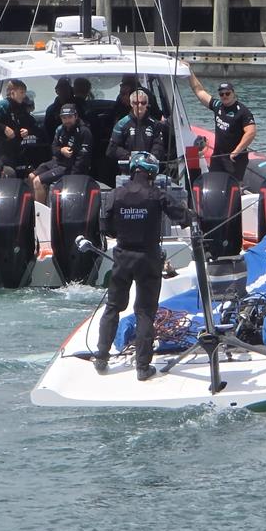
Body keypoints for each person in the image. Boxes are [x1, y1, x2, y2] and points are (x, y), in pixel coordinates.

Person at [93, 151, 188, 380]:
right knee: (144, 311)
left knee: (113, 306)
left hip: (123, 257)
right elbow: (185, 218)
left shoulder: (115, 195)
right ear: (152, 173)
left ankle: (102, 356)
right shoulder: (158, 195)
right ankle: (143, 368)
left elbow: (106, 229)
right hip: (148, 258)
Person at [185, 68, 256, 181]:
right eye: (222, 94)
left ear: (233, 93)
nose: (224, 96)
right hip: (218, 157)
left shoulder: (243, 111)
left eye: (227, 93)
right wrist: (190, 72)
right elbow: (199, 91)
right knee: (214, 183)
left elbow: (251, 132)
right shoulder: (218, 106)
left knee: (232, 186)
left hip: (235, 158)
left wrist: (237, 151)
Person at [29, 103, 93, 204]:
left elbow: (83, 158)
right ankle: (36, 206)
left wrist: (72, 177)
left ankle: (39, 212)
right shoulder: (60, 129)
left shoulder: (84, 132)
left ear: (76, 116)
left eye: (70, 117)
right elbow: (53, 149)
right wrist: (61, 150)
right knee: (31, 176)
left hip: (69, 167)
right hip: (57, 162)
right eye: (64, 118)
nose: (67, 120)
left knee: (37, 181)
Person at [0, 79, 40, 173]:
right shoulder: (4, 105)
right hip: (2, 148)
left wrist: (28, 131)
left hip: (16, 148)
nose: (24, 96)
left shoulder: (21, 107)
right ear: (13, 93)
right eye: (21, 92)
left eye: (24, 93)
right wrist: (4, 128)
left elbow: (31, 123)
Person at [106, 89, 167, 173]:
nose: (140, 105)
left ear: (147, 104)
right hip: (128, 169)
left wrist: (150, 158)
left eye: (143, 102)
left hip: (150, 169)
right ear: (131, 104)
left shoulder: (155, 124)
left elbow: (159, 145)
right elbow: (112, 149)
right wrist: (131, 157)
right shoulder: (121, 124)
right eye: (136, 103)